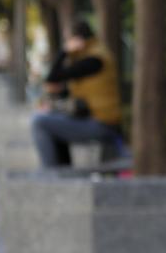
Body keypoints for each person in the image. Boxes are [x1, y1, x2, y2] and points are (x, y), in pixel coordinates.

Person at [30, 20, 124, 168]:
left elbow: (52, 77)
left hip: (101, 124)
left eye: (68, 39)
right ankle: (63, 172)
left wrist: (64, 51)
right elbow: (59, 86)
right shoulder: (93, 55)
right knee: (50, 118)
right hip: (96, 120)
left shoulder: (94, 60)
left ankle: (50, 175)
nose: (67, 42)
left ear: (77, 40)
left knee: (39, 122)